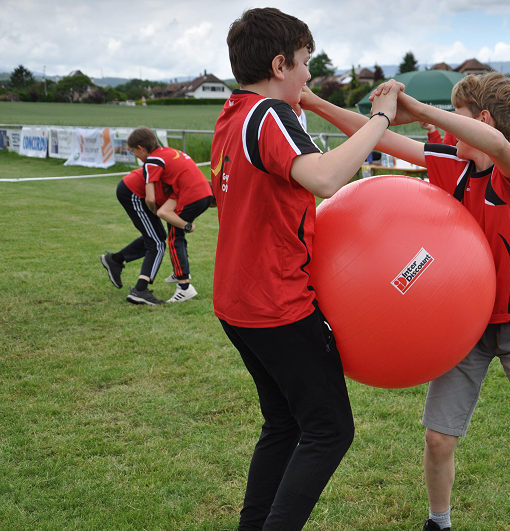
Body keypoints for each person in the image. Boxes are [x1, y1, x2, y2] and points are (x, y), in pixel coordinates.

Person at [301, 72, 510, 531]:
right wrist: (314, 101)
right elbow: (376, 135)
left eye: (454, 115)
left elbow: (497, 145)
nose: (444, 127)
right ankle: (438, 522)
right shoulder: (453, 165)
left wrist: (421, 110)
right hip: (461, 326)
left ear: (481, 120)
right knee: (439, 438)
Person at [209, 7, 401, 530]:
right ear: (279, 65)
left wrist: (311, 101)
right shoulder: (269, 115)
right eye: (304, 63)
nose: (309, 74)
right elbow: (325, 178)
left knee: (284, 424)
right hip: (277, 305)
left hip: (238, 304)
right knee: (329, 430)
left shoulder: (233, 114)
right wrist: (381, 118)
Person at [127, 127, 212, 303]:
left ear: (141, 148)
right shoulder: (169, 151)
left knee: (174, 237)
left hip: (189, 195)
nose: (135, 155)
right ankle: (179, 270)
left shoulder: (152, 161)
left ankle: (184, 286)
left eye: (134, 151)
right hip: (203, 192)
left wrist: (153, 210)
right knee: (171, 223)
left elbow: (150, 198)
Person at [101, 167, 168, 305]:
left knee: (159, 236)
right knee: (157, 244)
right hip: (134, 191)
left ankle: (115, 259)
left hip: (135, 189)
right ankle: (140, 290)